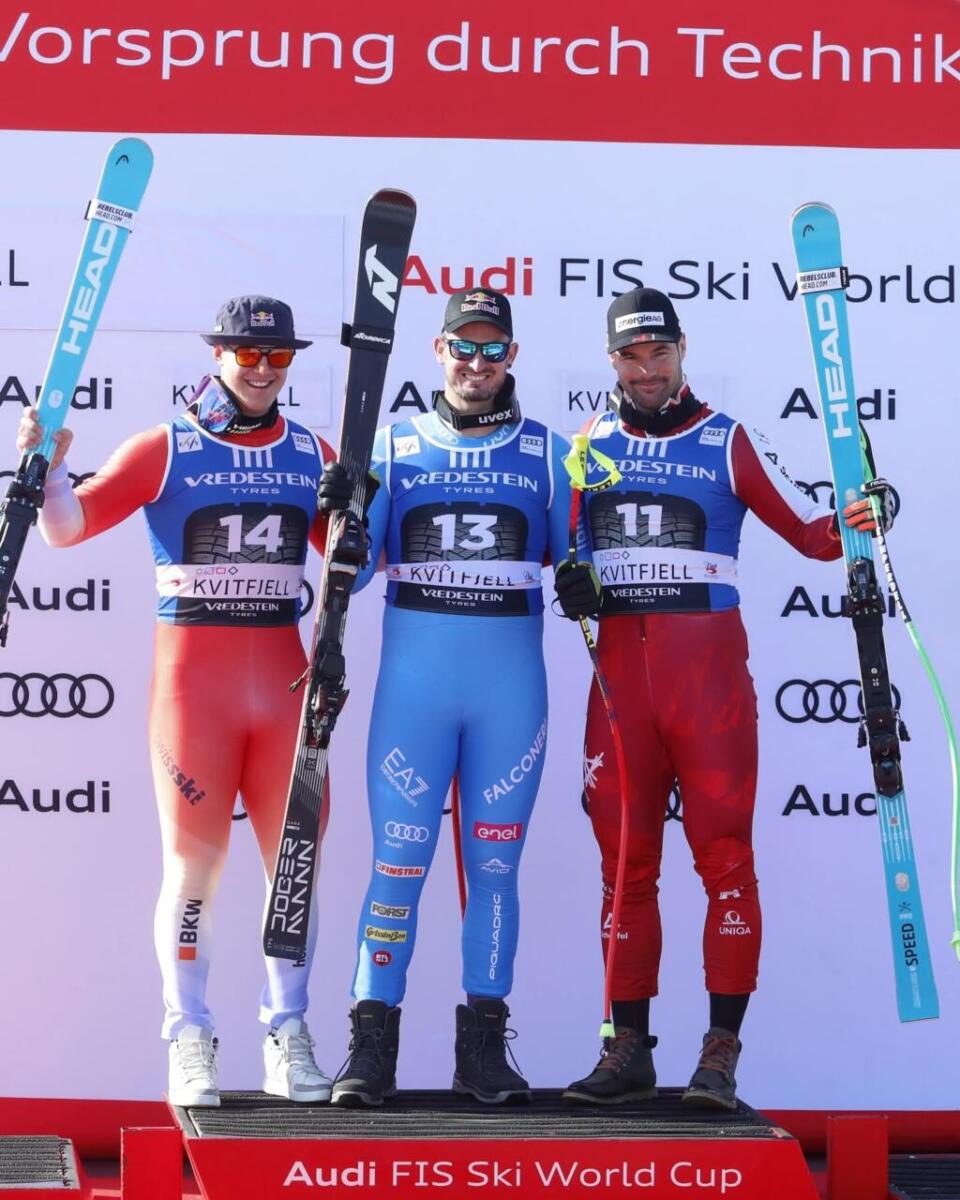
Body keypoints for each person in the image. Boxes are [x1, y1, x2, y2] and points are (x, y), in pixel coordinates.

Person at [554, 286, 893, 1109]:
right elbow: (560, 543)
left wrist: (870, 508)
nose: (645, 370)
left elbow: (816, 537)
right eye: (630, 357)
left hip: (708, 690)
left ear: (681, 351)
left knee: (725, 863)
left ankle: (719, 1053)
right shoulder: (586, 444)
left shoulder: (728, 438)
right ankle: (625, 1046)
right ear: (612, 362)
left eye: (658, 353)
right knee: (624, 870)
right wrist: (569, 570)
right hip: (620, 691)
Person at [16, 295, 341, 1107]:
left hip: (286, 691)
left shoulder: (311, 451)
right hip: (194, 696)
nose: (262, 370)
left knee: (292, 869)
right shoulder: (168, 447)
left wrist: (355, 517)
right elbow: (65, 528)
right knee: (193, 872)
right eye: (247, 354)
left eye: (277, 357)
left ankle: (287, 1032)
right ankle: (189, 1037)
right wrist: (49, 466)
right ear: (218, 355)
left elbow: (352, 569)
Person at [324, 288, 570, 1106]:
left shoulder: (547, 454)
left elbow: (582, 574)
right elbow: (350, 578)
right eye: (462, 349)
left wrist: (589, 576)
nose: (476, 364)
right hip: (414, 700)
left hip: (508, 699)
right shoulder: (394, 446)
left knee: (494, 869)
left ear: (512, 358)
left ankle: (483, 1048)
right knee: (396, 865)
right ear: (438, 352)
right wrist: (341, 521)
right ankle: (370, 1046)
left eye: (491, 350)